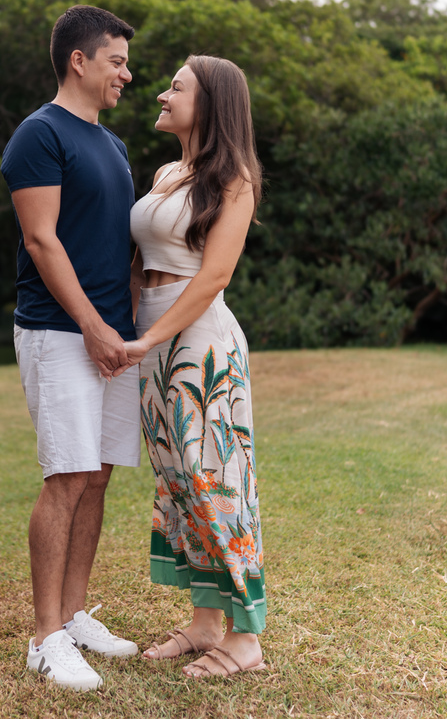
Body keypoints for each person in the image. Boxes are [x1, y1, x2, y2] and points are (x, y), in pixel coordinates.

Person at [0, 5, 143, 692]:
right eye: (116, 60)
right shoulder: (39, 135)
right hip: (61, 332)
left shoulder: (112, 146)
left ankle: (75, 612)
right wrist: (91, 324)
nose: (128, 73)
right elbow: (42, 241)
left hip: (114, 336)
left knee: (99, 473)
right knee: (66, 476)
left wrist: (129, 331)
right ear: (79, 61)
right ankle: (45, 636)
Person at [119, 54, 267, 678]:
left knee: (215, 477)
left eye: (175, 87)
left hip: (199, 343)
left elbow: (214, 276)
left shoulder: (234, 178)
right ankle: (205, 622)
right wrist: (131, 335)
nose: (160, 94)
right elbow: (139, 262)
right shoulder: (165, 172)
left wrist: (150, 334)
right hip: (151, 343)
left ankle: (246, 637)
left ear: (210, 102)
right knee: (179, 479)